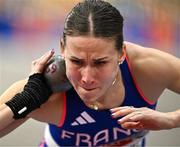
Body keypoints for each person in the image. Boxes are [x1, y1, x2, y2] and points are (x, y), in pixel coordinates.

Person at [0, 0, 180, 146]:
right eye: (76, 61)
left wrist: (170, 120)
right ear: (63, 49)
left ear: (121, 54)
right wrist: (27, 99)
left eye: (100, 63)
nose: (86, 78)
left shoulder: (149, 69)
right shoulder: (46, 93)